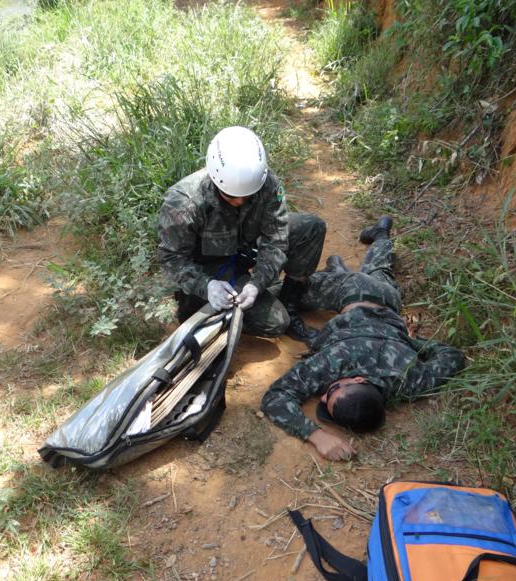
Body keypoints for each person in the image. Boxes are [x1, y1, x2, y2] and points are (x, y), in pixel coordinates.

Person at [261, 216, 466, 460]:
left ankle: (381, 234)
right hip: (351, 290)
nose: (323, 396)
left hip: (389, 299)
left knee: (380, 268)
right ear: (357, 379)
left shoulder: (409, 380)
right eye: (332, 391)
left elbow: (452, 357)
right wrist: (316, 436)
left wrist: (406, 341)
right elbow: (274, 398)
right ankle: (336, 271)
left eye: (326, 401)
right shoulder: (336, 361)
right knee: (278, 292)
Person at [158, 126, 325, 344]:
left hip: (246, 246)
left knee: (311, 227)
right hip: (211, 267)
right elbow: (172, 258)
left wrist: (257, 283)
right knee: (276, 322)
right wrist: (206, 286)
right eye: (230, 196)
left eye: (248, 196)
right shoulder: (184, 202)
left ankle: (290, 304)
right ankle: (196, 305)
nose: (239, 202)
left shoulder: (266, 184)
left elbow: (276, 240)